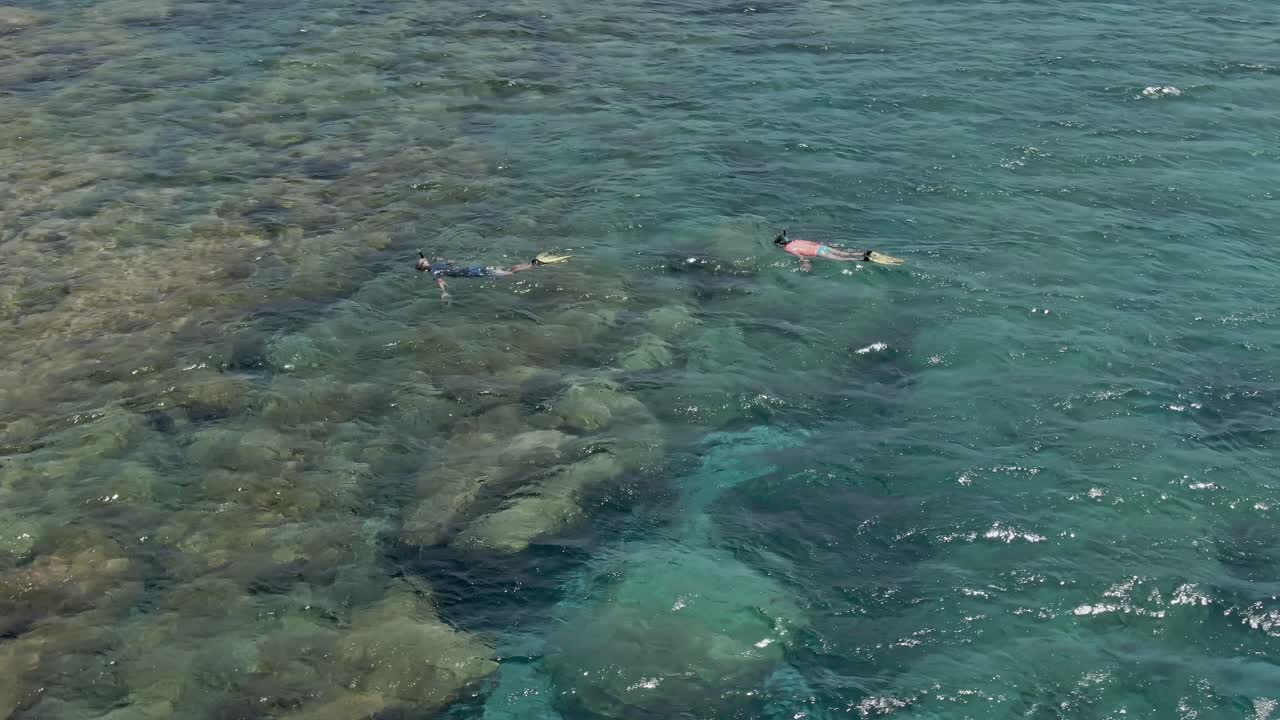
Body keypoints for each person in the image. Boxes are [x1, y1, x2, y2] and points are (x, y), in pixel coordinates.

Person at [416, 251, 570, 302]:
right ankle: (527, 264)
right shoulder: (437, 265)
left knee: (509, 274)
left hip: (475, 273)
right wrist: (441, 259)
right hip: (474, 269)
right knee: (509, 270)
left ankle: (534, 264)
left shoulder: (434, 271)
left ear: (423, 269)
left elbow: (440, 280)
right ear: (424, 265)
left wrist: (443, 291)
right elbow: (450, 262)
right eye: (423, 261)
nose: (424, 260)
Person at [773, 229, 872, 272]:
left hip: (819, 252)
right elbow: (812, 243)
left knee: (839, 258)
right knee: (843, 253)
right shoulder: (796, 240)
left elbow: (801, 257)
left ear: (781, 244)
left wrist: (804, 264)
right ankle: (864, 253)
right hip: (822, 247)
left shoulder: (788, 248)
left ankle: (863, 259)